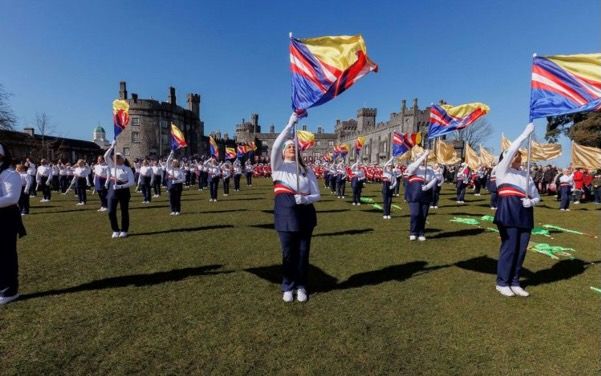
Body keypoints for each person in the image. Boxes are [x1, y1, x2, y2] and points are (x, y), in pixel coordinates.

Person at [271, 112, 320, 303]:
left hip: (305, 215)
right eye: (288, 147)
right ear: (284, 152)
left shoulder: (306, 170)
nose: (291, 148)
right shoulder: (278, 167)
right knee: (288, 254)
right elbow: (275, 146)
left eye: (294, 147)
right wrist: (290, 125)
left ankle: (301, 286)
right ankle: (288, 285)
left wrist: (305, 200)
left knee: (302, 253)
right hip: (285, 215)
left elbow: (317, 195)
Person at [493, 123, 540, 297]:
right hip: (508, 213)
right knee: (510, 248)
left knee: (521, 250)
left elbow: (537, 196)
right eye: (513, 157)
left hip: (525, 215)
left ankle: (514, 281)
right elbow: (511, 151)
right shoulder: (501, 172)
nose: (515, 159)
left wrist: (532, 202)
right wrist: (523, 135)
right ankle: (502, 282)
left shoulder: (525, 175)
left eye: (518, 158)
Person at [0, 144, 26, 305]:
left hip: (5, 218)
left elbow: (12, 197)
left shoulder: (10, 174)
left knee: (5, 255)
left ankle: (9, 290)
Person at [104, 141, 135, 238]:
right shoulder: (112, 166)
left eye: (118, 157)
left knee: (124, 211)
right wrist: (112, 147)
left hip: (124, 191)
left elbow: (132, 182)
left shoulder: (127, 169)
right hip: (112, 190)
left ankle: (124, 230)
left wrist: (121, 186)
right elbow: (105, 157)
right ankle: (115, 230)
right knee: (111, 211)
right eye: (115, 157)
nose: (116, 159)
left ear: (122, 159)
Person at [405, 151, 437, 240]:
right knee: (415, 214)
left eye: (424, 158)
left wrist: (428, 186)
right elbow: (413, 168)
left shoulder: (429, 169)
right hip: (414, 194)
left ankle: (421, 232)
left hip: (425, 194)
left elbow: (434, 179)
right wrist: (423, 156)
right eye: (419, 157)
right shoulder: (413, 167)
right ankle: (413, 232)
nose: (423, 160)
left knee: (423, 215)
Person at [165, 151, 184, 215]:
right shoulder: (169, 169)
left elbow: (183, 179)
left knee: (177, 198)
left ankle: (177, 210)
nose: (174, 163)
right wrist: (171, 154)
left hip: (178, 186)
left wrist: (176, 180)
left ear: (177, 164)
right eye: (173, 162)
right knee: (171, 198)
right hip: (171, 186)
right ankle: (173, 210)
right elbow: (167, 162)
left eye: (175, 163)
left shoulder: (180, 170)